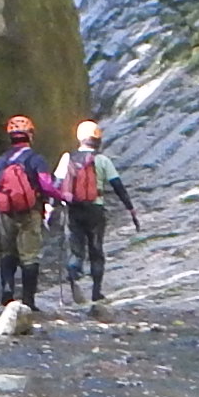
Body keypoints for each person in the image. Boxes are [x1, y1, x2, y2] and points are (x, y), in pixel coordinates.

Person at [0, 115, 59, 311]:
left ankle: (7, 294)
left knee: (8, 252)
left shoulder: (1, 161)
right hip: (30, 211)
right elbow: (46, 185)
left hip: (5, 212)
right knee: (30, 255)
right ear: (30, 135)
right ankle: (28, 301)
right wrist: (62, 196)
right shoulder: (36, 159)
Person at [52, 118, 135, 306]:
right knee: (96, 250)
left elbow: (56, 185)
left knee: (76, 249)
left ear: (79, 138)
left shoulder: (67, 158)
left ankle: (73, 277)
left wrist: (50, 206)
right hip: (96, 209)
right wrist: (130, 208)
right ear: (98, 140)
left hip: (73, 209)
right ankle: (96, 293)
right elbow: (118, 186)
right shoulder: (103, 160)